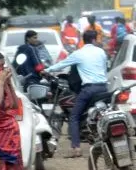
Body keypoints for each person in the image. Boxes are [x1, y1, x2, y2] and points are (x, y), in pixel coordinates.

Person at [43, 30, 109, 158]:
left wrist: (46, 70)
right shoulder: (101, 52)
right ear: (94, 40)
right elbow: (103, 68)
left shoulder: (78, 54)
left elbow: (62, 65)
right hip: (104, 88)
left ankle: (76, 148)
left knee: (74, 117)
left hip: (89, 89)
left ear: (83, 40)